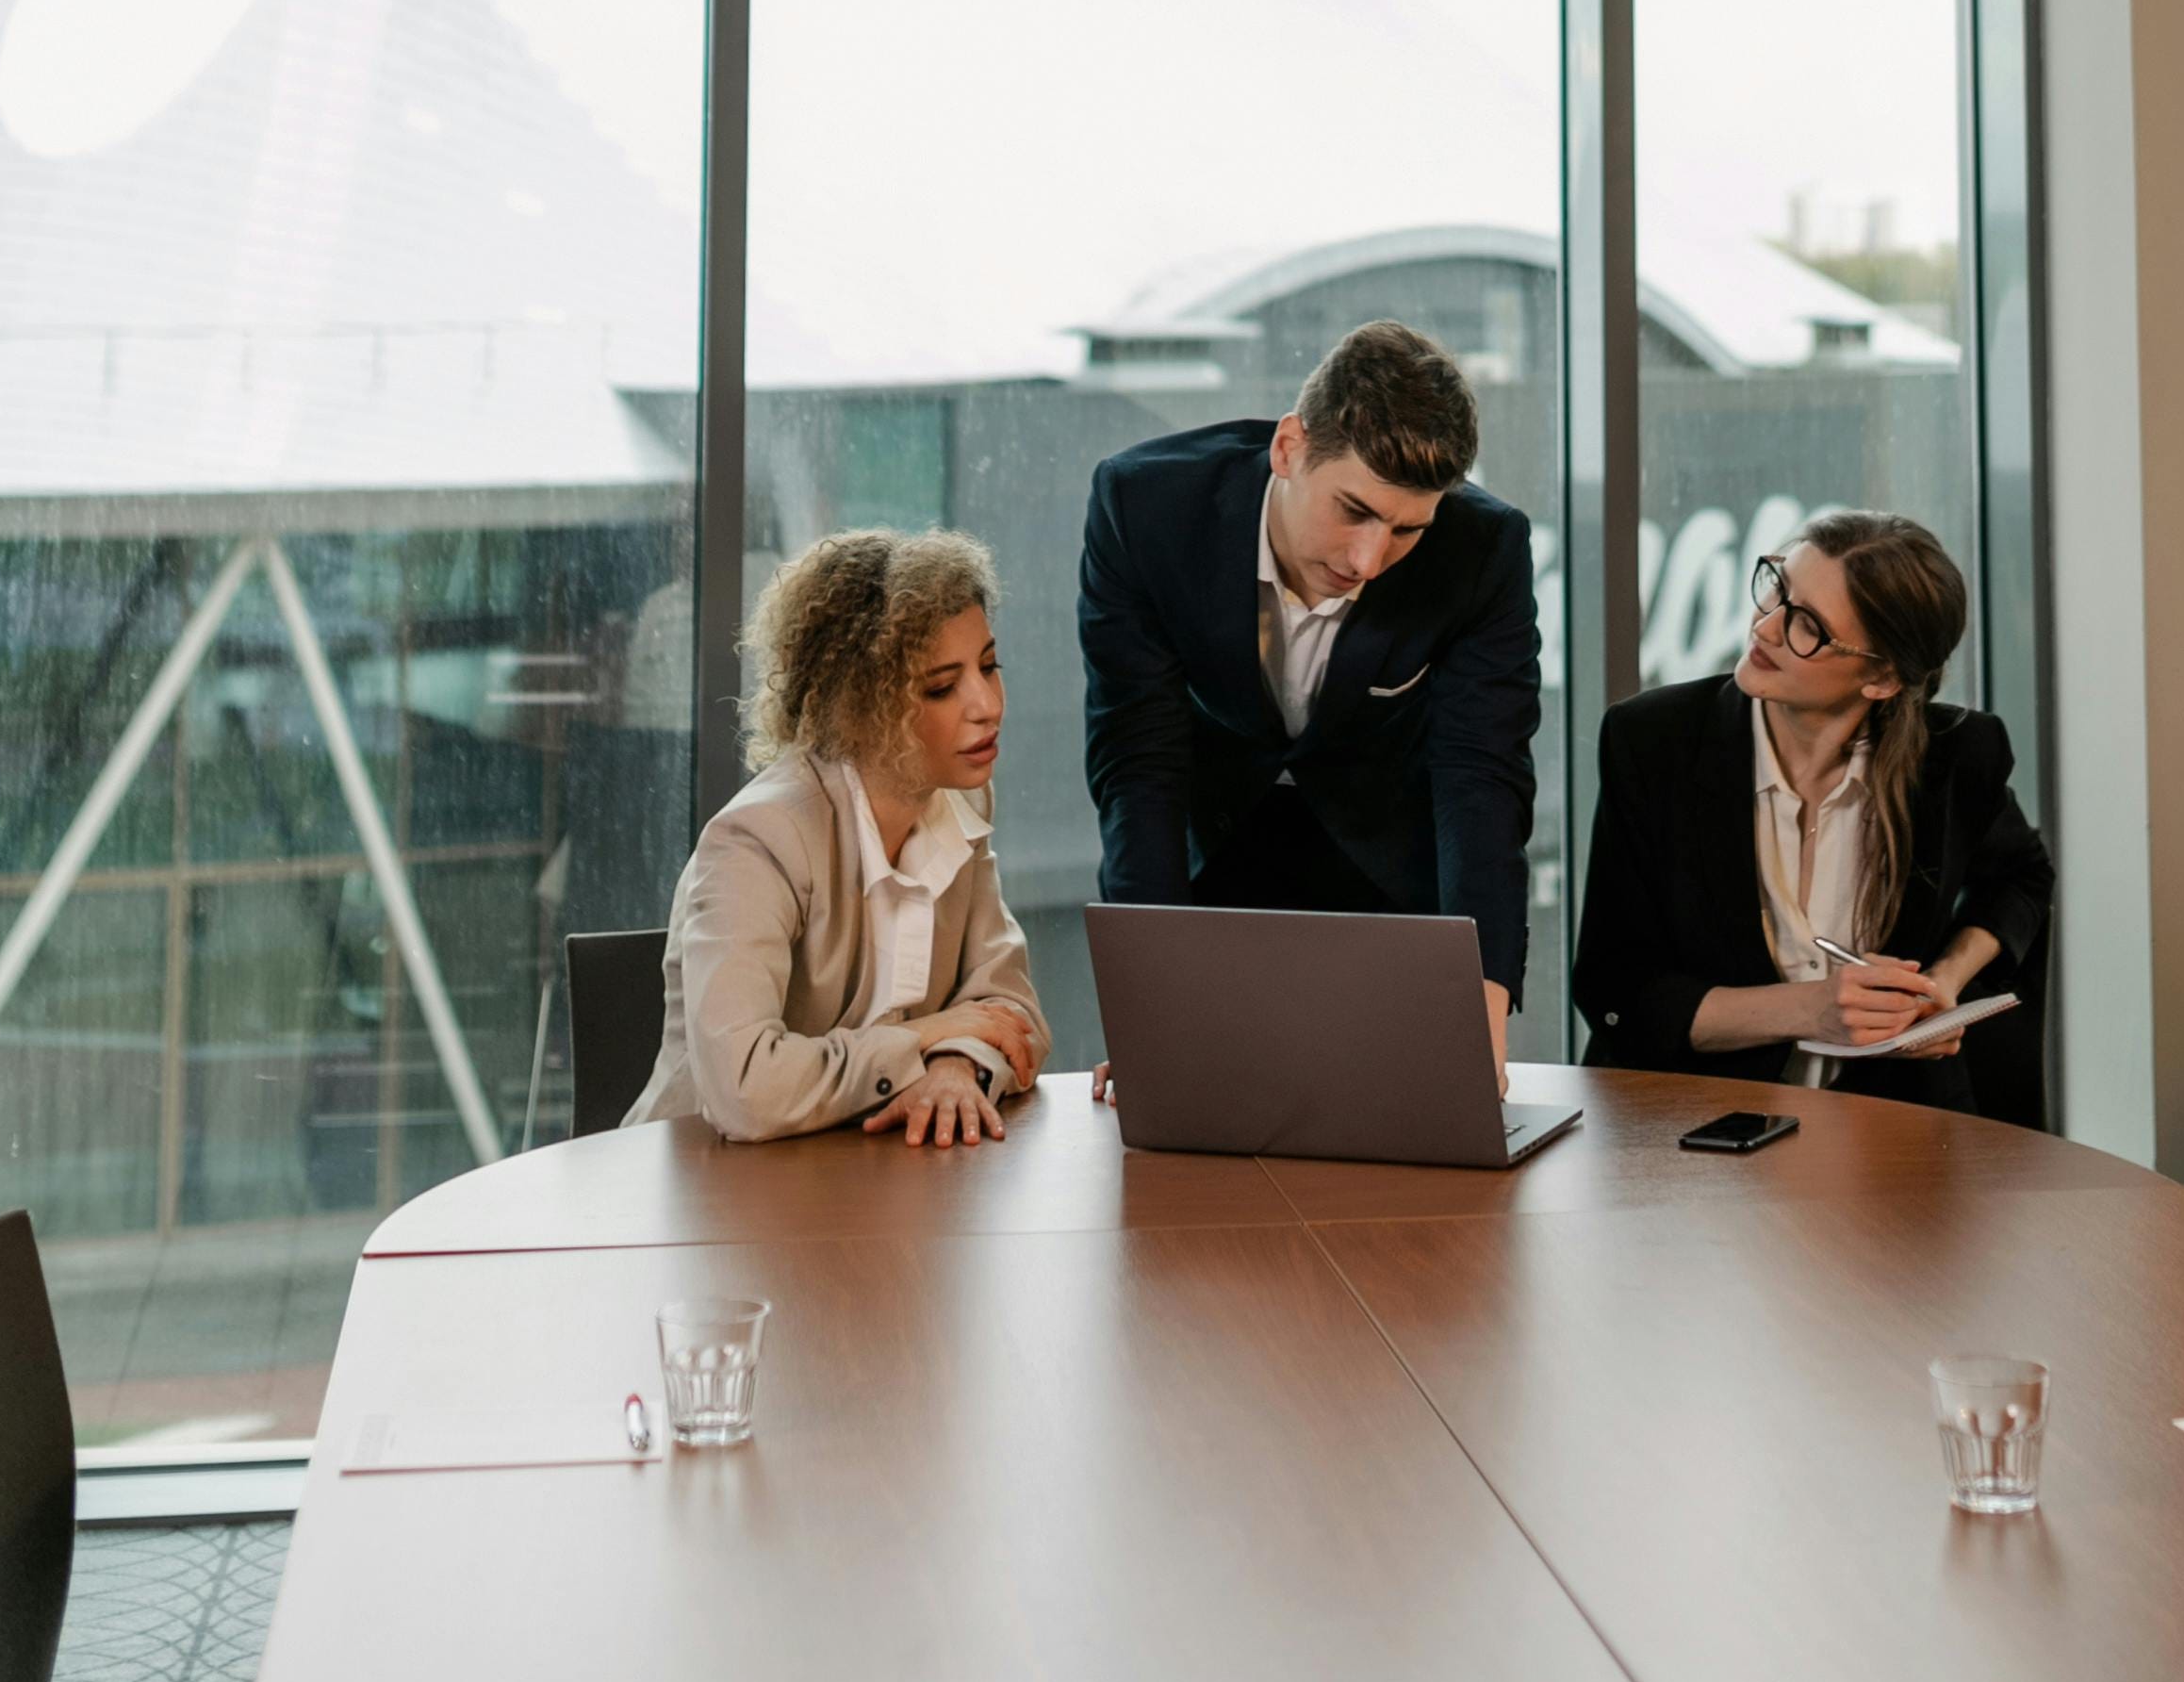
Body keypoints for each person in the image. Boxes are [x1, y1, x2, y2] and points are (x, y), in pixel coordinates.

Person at [1079, 318, 1538, 1069]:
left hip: (1392, 866)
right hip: (1216, 847)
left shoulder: (1484, 550)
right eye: (1353, 511)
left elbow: (1481, 778)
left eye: (1405, 531)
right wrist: (1147, 1006)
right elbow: (1138, 762)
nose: (1368, 559)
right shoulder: (1145, 507)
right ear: (1289, 448)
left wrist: (1482, 1006)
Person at [1571, 510, 2050, 1108]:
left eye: (1808, 627)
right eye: (1777, 588)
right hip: (1692, 1133)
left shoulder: (1956, 755)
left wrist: (1940, 984)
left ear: (1880, 677)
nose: (1766, 627)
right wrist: (1813, 1011)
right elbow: (1616, 992)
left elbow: (2021, 880)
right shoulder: (1652, 739)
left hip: (1892, 1136)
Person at [630, 526, 1049, 1146]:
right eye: (942, 686)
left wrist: (954, 1065)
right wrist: (923, 1037)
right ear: (860, 703)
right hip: (705, 1198)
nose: (987, 704)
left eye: (989, 666)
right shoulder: (756, 840)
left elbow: (1010, 1011)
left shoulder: (957, 799)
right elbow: (748, 1091)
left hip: (864, 1184)